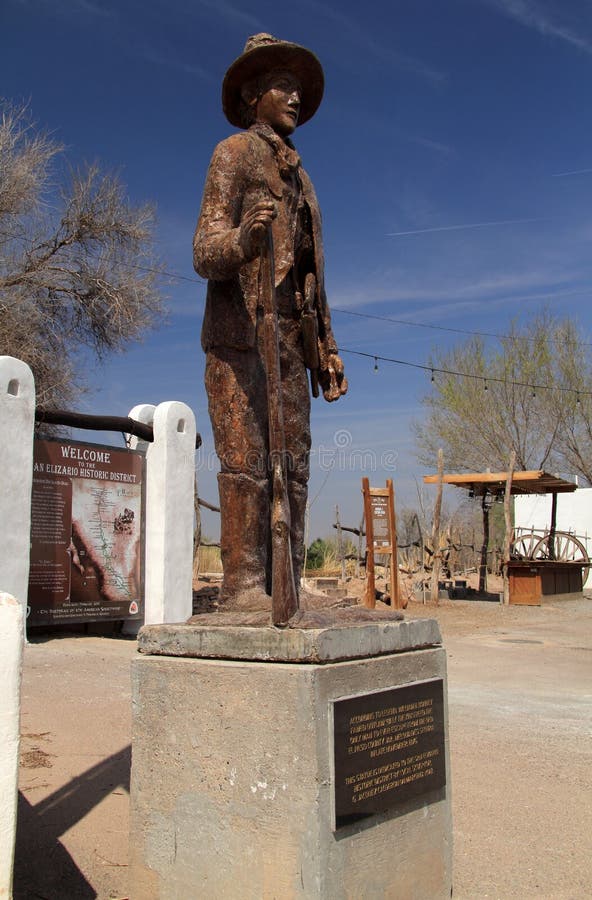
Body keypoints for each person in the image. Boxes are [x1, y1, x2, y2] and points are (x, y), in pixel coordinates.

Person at [193, 33, 347, 610]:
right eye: (283, 85)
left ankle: (287, 585)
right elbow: (204, 251)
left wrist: (326, 345)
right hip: (239, 338)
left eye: (299, 89)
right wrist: (244, 239)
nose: (295, 97)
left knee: (296, 466)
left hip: (290, 342)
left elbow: (312, 273)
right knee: (247, 463)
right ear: (253, 94)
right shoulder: (231, 154)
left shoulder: (303, 180)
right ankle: (242, 588)